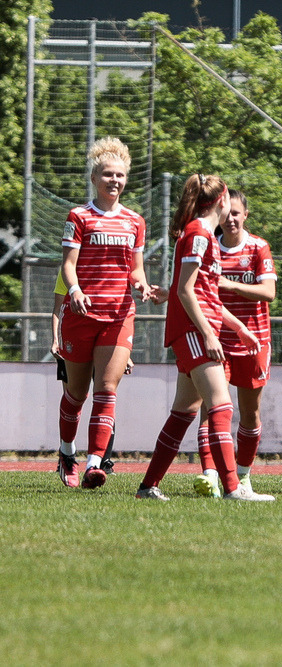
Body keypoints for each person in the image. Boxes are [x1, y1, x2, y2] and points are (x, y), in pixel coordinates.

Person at [136, 174, 273, 502]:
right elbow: (185, 289)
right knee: (222, 407)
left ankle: (147, 486)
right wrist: (210, 333)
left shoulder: (202, 234)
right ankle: (232, 488)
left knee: (183, 412)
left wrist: (238, 327)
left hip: (198, 329)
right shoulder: (199, 234)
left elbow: (205, 294)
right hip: (196, 333)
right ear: (223, 201)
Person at [56, 137, 161, 489]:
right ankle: (67, 454)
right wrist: (76, 291)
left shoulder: (135, 221)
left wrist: (143, 286)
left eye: (120, 175)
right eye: (107, 174)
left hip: (118, 316)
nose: (114, 180)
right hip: (81, 316)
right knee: (76, 394)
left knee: (107, 389)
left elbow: (136, 270)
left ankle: (94, 464)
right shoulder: (79, 216)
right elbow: (68, 265)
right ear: (94, 178)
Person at [192, 189, 277, 498]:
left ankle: (242, 475)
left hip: (254, 341)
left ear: (246, 215)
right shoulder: (208, 246)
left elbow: (269, 292)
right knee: (212, 410)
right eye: (227, 213)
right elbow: (198, 290)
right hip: (217, 341)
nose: (231, 219)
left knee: (249, 414)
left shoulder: (258, 247)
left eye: (237, 213)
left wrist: (230, 284)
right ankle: (211, 475)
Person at [51, 272, 122, 475]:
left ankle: (103, 461)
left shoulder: (109, 267)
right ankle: (66, 455)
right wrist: (56, 340)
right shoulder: (68, 269)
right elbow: (58, 309)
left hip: (101, 341)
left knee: (105, 393)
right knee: (74, 397)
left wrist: (123, 353)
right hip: (73, 338)